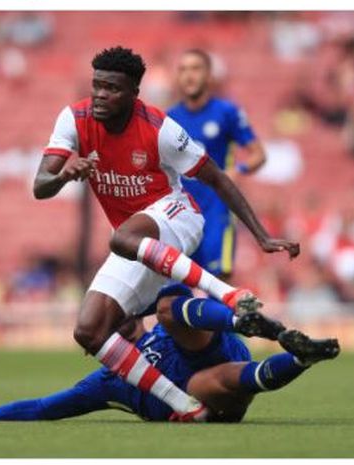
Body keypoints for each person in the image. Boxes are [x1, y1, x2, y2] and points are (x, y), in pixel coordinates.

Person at [31, 46, 299, 421]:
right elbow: (39, 186)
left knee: (121, 239)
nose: (101, 95)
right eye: (97, 86)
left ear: (133, 93)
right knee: (89, 331)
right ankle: (183, 405)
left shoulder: (160, 128)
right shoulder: (73, 119)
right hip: (136, 241)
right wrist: (63, 174)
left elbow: (218, 179)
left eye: (112, 88)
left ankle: (229, 295)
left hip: (179, 216)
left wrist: (262, 237)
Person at [0, 285, 340, 423]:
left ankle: (242, 320)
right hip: (206, 401)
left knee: (170, 305)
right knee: (217, 381)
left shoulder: (152, 321)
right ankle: (303, 357)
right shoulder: (108, 380)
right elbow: (44, 407)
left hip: (212, 342)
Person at [168, 49, 268, 279]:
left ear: (209, 75)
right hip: (180, 212)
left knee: (218, 281)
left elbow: (258, 154)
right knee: (175, 288)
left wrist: (238, 170)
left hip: (217, 209)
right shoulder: (169, 118)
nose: (188, 76)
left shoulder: (226, 112)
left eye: (195, 68)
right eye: (182, 70)